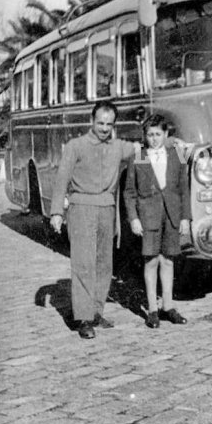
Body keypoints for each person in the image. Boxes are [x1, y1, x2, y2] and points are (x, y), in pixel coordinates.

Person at [48, 101, 139, 339]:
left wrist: (175, 143)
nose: (104, 128)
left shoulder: (119, 146)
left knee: (104, 264)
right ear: (92, 121)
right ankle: (84, 318)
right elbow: (61, 180)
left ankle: (96, 311)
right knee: (83, 263)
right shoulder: (75, 146)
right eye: (100, 123)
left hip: (106, 210)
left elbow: (148, 145)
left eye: (109, 124)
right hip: (82, 208)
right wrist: (57, 211)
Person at [123, 114, 190, 328]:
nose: (154, 139)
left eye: (158, 134)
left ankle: (168, 306)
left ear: (166, 134)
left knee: (168, 260)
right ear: (145, 136)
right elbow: (129, 192)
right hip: (148, 217)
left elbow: (183, 190)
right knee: (151, 261)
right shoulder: (139, 157)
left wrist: (185, 218)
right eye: (150, 135)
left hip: (171, 215)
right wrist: (133, 218)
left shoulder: (176, 155)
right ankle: (152, 309)